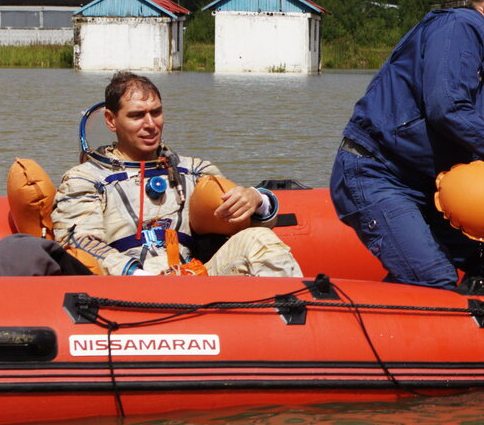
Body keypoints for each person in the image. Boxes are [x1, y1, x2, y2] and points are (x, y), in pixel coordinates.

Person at [331, 0, 484, 289]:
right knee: (434, 278)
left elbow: (481, 137)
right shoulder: (461, 27)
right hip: (376, 171)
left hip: (426, 185)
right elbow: (446, 109)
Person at [53, 72, 301, 277]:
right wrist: (137, 275)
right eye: (137, 115)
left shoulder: (194, 171)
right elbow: (79, 243)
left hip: (193, 277)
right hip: (125, 287)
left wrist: (257, 200)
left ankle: (290, 325)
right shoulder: (84, 179)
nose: (150, 124)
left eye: (156, 112)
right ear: (111, 120)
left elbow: (238, 223)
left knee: (260, 238)